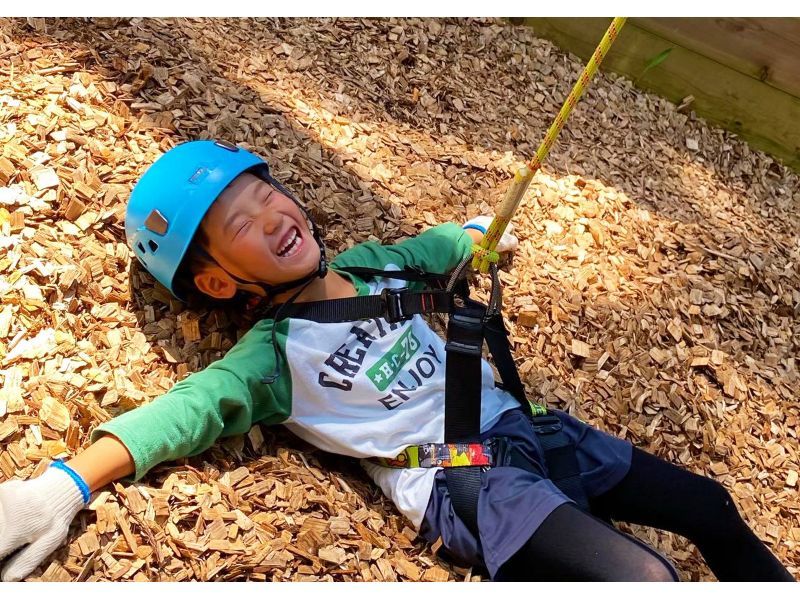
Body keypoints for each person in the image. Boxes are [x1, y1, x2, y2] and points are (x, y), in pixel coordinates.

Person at [0, 141, 793, 582]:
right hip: (467, 478)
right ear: (216, 280)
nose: (275, 213)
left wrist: (479, 235)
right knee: (647, 582)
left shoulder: (377, 264)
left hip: (532, 429)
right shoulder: (270, 360)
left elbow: (435, 247)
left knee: (711, 507)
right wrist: (66, 484)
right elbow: (183, 413)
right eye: (243, 223)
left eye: (267, 193)